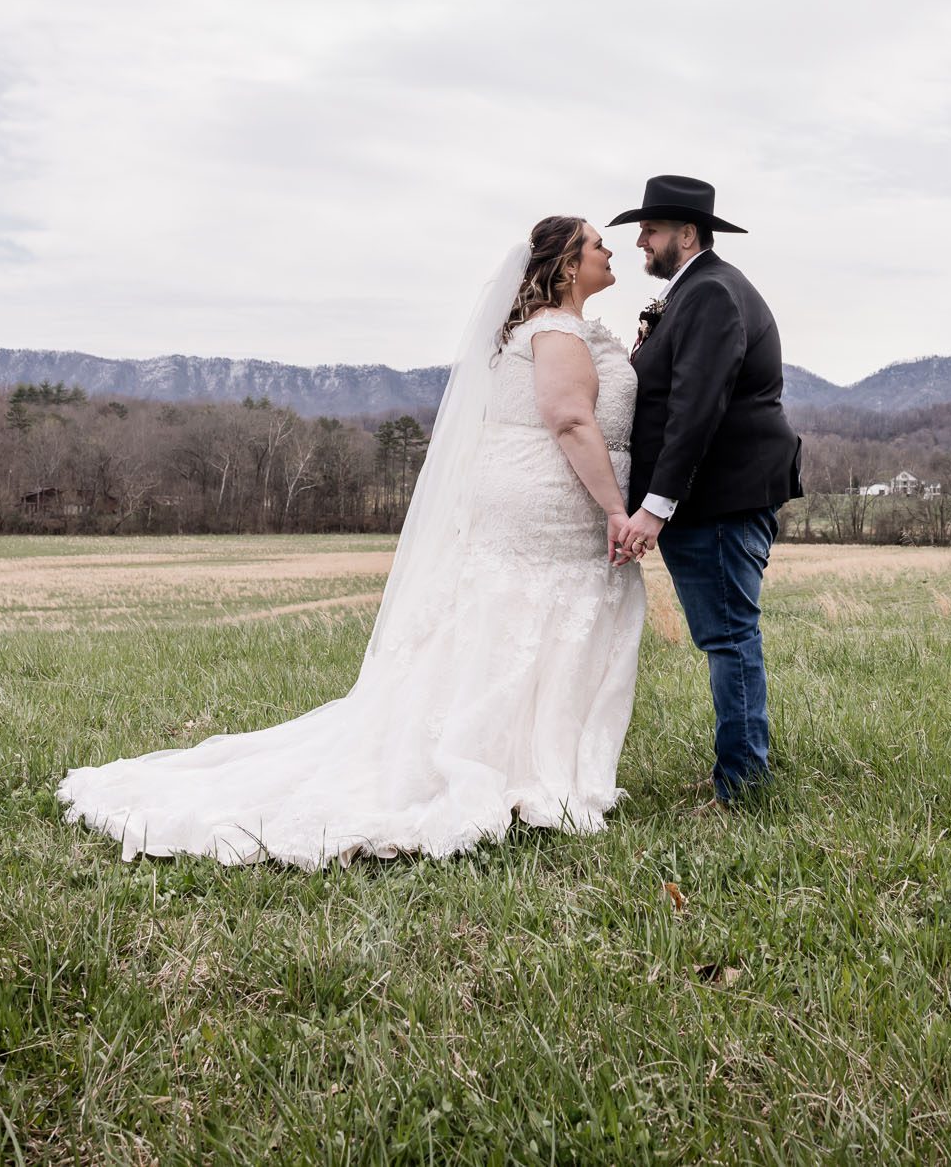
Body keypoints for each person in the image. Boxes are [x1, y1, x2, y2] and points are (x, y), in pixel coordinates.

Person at [56, 217, 647, 868]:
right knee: (529, 621)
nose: (610, 248)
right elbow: (568, 419)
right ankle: (516, 764)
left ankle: (526, 758)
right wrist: (616, 507)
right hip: (547, 507)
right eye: (596, 242)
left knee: (518, 625)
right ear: (566, 265)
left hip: (541, 504)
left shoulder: (556, 331)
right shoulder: (557, 332)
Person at [608, 175, 804, 804]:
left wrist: (655, 508)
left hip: (720, 496)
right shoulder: (694, 291)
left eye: (652, 229)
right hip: (717, 492)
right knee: (727, 631)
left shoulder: (712, 294)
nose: (641, 239)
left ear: (686, 233)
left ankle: (743, 782)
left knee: (728, 634)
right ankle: (744, 765)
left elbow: (696, 408)